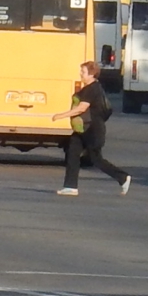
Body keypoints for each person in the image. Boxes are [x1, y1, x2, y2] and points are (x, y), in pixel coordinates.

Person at [51, 61, 131, 196]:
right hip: (83, 128)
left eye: (83, 72)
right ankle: (70, 186)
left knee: (95, 159)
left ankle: (122, 177)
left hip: (92, 129)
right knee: (72, 152)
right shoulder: (91, 87)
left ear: (92, 74)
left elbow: (82, 108)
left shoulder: (92, 89)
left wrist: (60, 116)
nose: (80, 74)